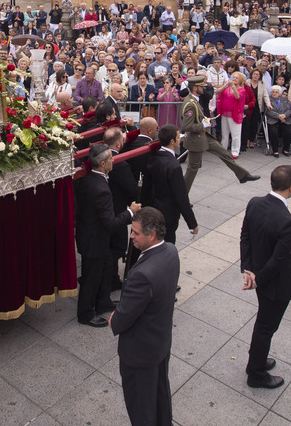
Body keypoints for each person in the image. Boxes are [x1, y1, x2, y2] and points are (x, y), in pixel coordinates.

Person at [109, 207, 180, 426]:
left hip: (140, 354)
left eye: (136, 233)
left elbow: (122, 318)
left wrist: (114, 318)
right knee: (159, 398)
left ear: (151, 235)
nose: (131, 235)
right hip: (160, 344)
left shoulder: (142, 275)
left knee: (141, 408)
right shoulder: (170, 251)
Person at [240, 164, 291, 390]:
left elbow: (245, 236)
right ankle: (256, 373)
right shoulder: (288, 221)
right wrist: (259, 279)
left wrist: (248, 269)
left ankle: (257, 360)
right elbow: (278, 260)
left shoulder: (254, 203)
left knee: (263, 323)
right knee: (266, 327)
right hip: (275, 285)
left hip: (259, 275)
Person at [75, 144, 140, 327]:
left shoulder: (88, 179)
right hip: (94, 240)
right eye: (111, 158)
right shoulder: (101, 189)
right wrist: (130, 212)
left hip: (89, 236)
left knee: (99, 272)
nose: (113, 160)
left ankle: (102, 302)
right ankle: (85, 313)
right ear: (103, 163)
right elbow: (110, 223)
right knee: (91, 277)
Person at [180, 74, 258, 191]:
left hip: (203, 136)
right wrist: (203, 125)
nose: (204, 89)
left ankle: (243, 175)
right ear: (195, 88)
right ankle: (182, 197)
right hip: (195, 140)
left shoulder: (195, 100)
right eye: (201, 87)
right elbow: (186, 126)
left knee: (224, 153)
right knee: (192, 169)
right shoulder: (190, 103)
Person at [141, 125, 198, 245]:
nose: (180, 140)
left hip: (151, 211)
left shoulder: (153, 156)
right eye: (178, 137)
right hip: (167, 216)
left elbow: (146, 187)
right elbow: (181, 196)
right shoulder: (173, 166)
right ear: (172, 141)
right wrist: (192, 223)